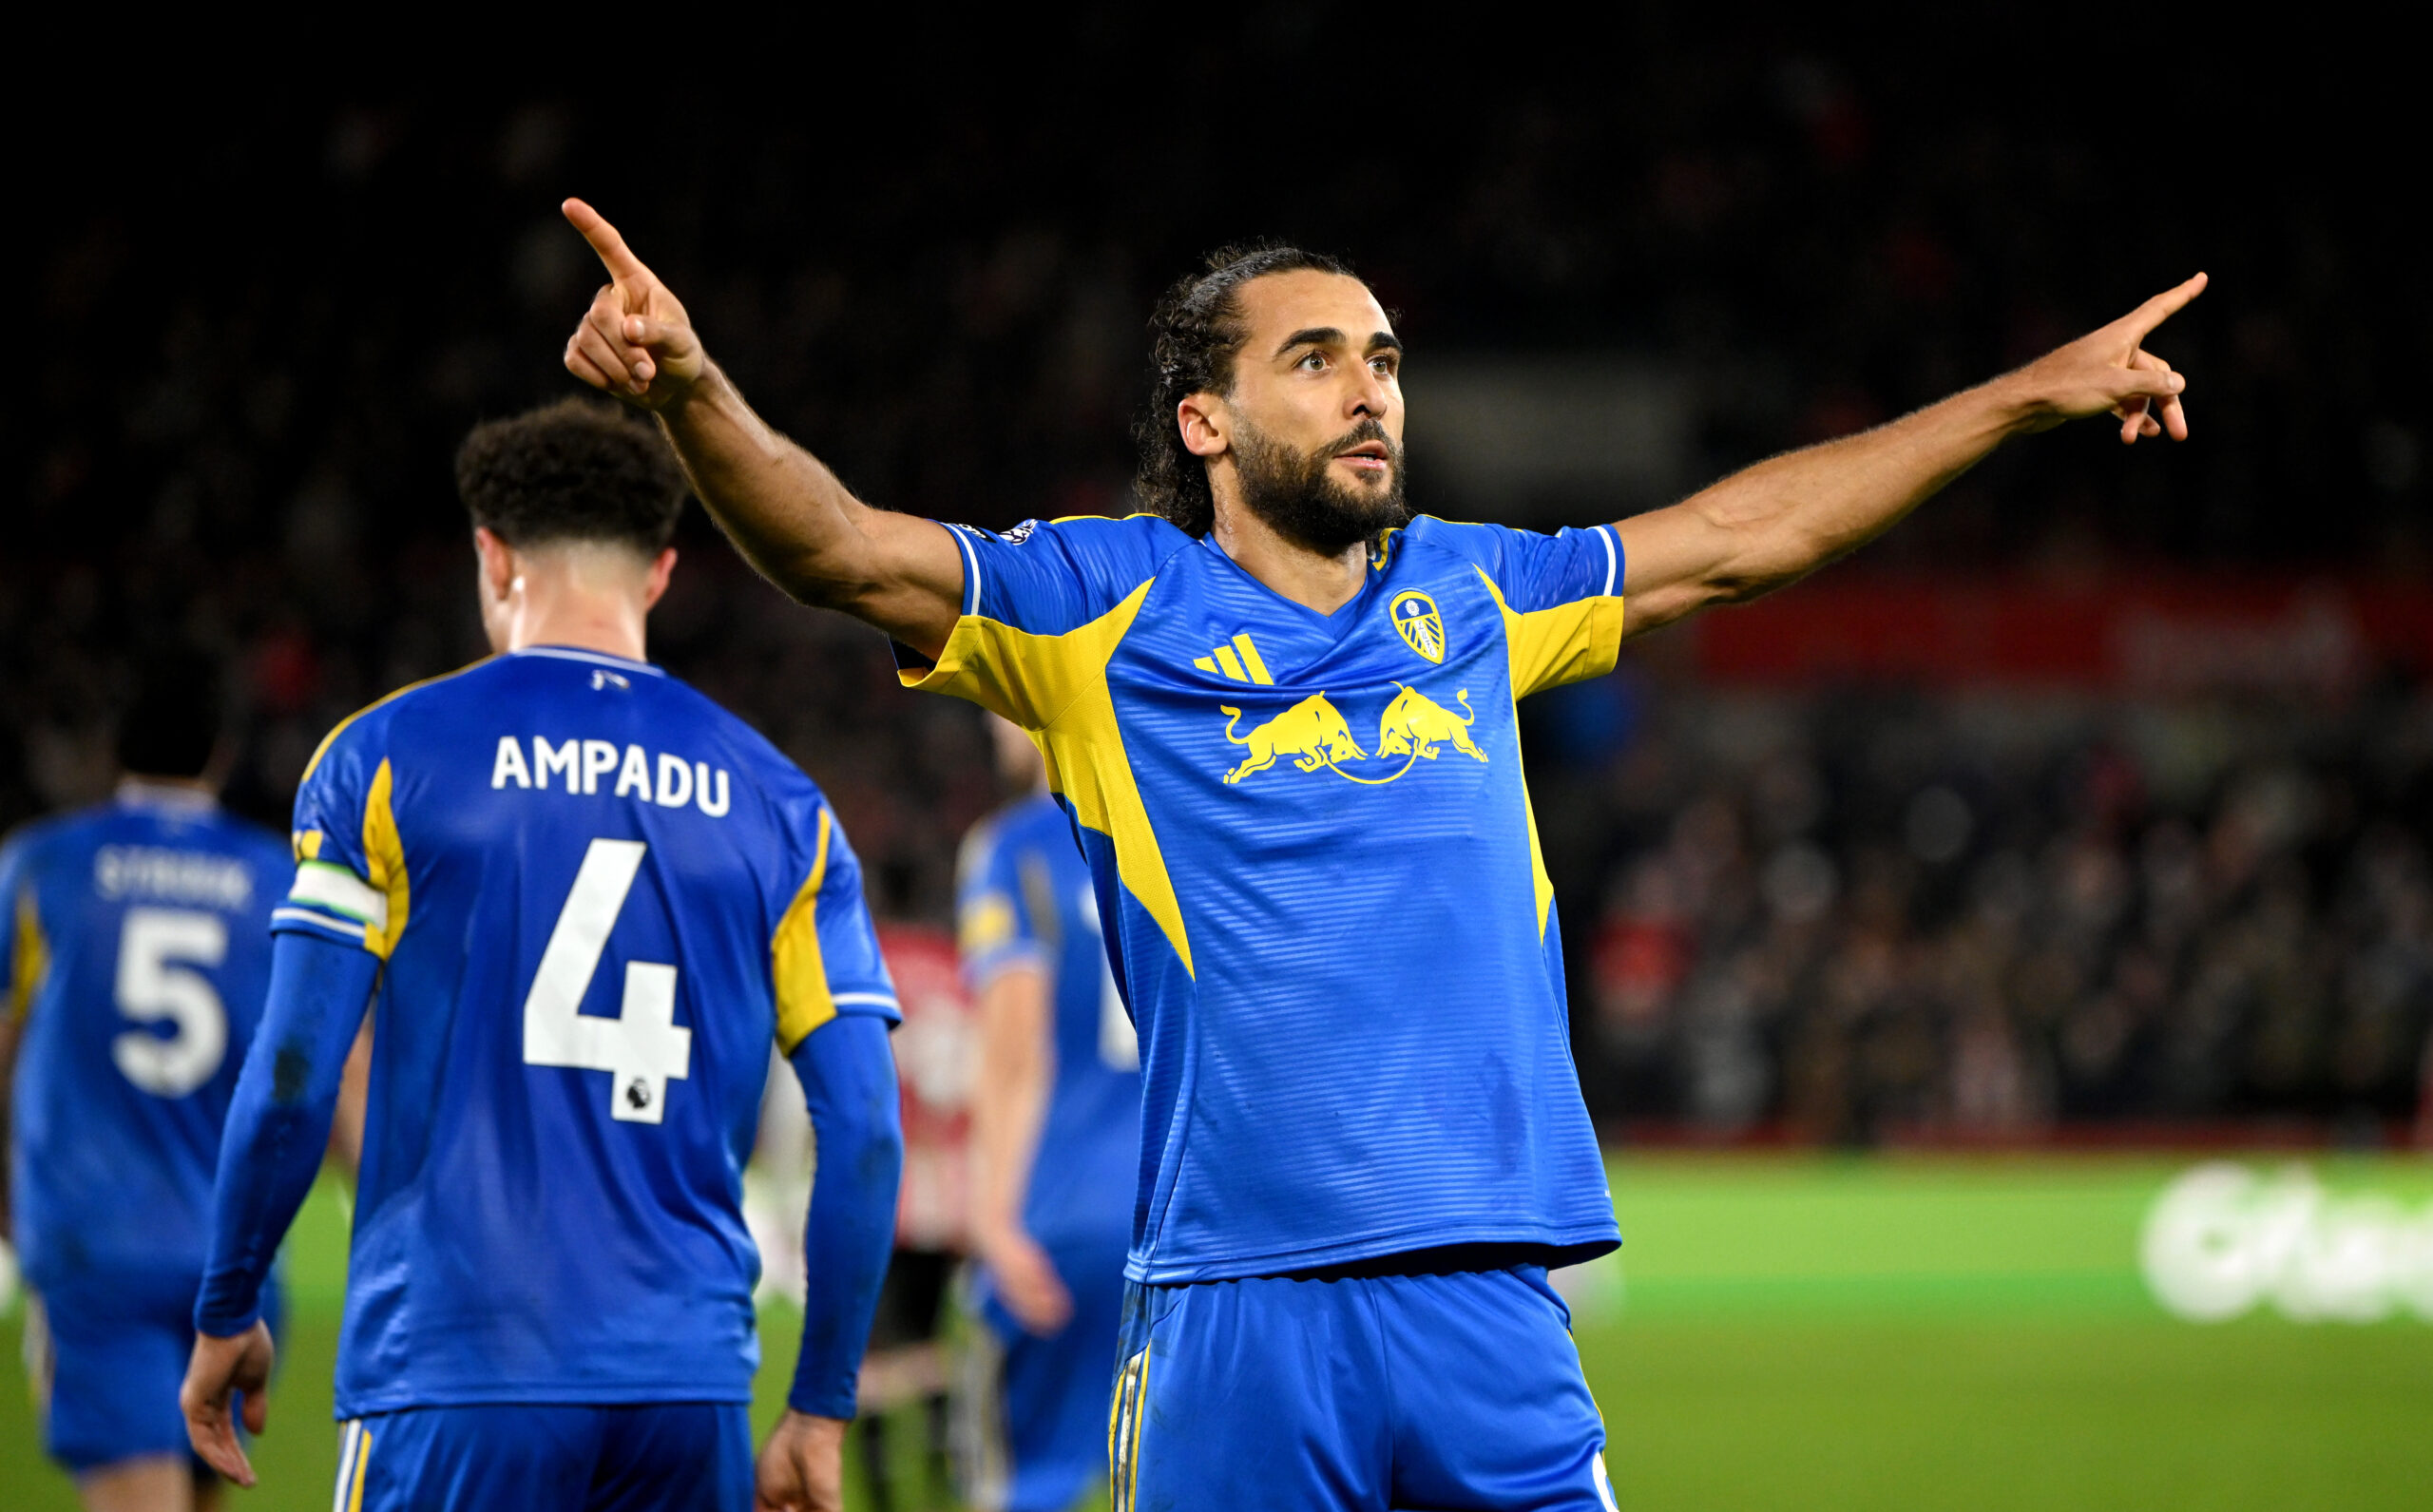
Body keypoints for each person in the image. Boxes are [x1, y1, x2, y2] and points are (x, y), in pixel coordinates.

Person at [558, 197, 2201, 1509]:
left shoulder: (1479, 592)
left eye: (1389, 359)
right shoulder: (1094, 604)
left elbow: (1744, 535)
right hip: (1235, 1307)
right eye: (1321, 358)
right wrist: (694, 385)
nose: (1373, 389)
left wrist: (2022, 396)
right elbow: (838, 550)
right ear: (1205, 421)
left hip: (1491, 1295)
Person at [177, 398, 907, 1512]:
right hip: (686, 1388)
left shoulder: (382, 759)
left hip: (457, 1365)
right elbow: (862, 1129)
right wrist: (819, 1404)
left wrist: (230, 1300)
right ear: (659, 573)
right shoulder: (782, 805)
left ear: (493, 557)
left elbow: (292, 1072)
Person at [0, 652, 297, 1512]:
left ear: (111, 750)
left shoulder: (42, 866)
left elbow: (4, 1049)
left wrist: (13, 1211)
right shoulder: (273, 877)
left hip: (98, 1242)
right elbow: (323, 1062)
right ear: (223, 753)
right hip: (233, 1255)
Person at [953, 714, 1140, 1512]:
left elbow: (1016, 1047)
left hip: (1061, 1218)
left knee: (1028, 1486)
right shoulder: (1185, 829)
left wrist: (993, 1219)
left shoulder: (1013, 848)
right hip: (1183, 1221)